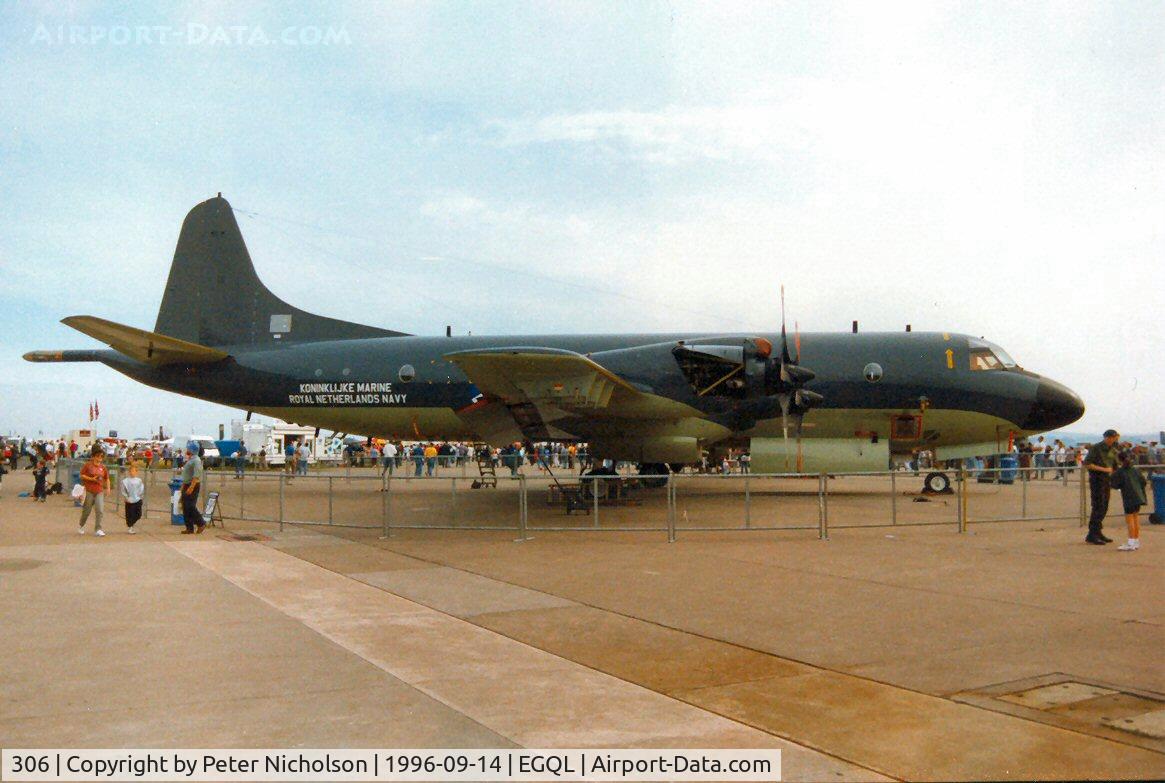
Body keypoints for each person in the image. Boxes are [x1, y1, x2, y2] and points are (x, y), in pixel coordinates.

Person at [1083, 429, 1121, 545]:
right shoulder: (1096, 448)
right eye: (1109, 437)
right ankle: (1092, 533)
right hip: (1097, 479)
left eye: (1113, 438)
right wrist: (1104, 469)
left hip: (1106, 481)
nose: (1111, 440)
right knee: (1098, 506)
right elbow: (1087, 464)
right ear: (1105, 437)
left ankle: (1097, 532)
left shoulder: (1113, 449)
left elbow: (1115, 465)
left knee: (1104, 506)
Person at [1109, 452, 1146, 551]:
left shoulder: (1120, 472)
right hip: (1138, 496)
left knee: (1129, 520)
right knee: (1136, 518)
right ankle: (1136, 541)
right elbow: (1143, 481)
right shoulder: (1135, 470)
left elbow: (1114, 484)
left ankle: (1131, 542)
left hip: (1128, 496)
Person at [78, 447, 111, 536]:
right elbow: (81, 475)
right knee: (87, 510)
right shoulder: (88, 465)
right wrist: (91, 479)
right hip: (89, 490)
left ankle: (98, 529)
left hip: (99, 490)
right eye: (98, 456)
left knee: (100, 509)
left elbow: (107, 479)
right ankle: (81, 525)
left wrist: (108, 488)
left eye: (101, 456)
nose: (99, 458)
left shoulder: (103, 467)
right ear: (93, 457)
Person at [179, 441, 206, 534]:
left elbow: (196, 476)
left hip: (192, 485)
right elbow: (186, 474)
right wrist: (183, 486)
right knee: (185, 507)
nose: (187, 450)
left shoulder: (196, 460)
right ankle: (189, 527)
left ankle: (201, 523)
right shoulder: (190, 459)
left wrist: (191, 487)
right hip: (186, 484)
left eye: (188, 448)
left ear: (192, 450)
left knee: (190, 506)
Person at [120, 461, 145, 534]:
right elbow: (123, 490)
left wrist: (140, 496)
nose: (132, 472)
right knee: (129, 514)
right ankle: (130, 526)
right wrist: (126, 497)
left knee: (138, 514)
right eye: (130, 471)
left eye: (133, 471)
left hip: (137, 499)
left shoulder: (139, 480)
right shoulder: (125, 481)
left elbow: (141, 489)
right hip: (129, 500)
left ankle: (132, 523)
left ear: (136, 472)